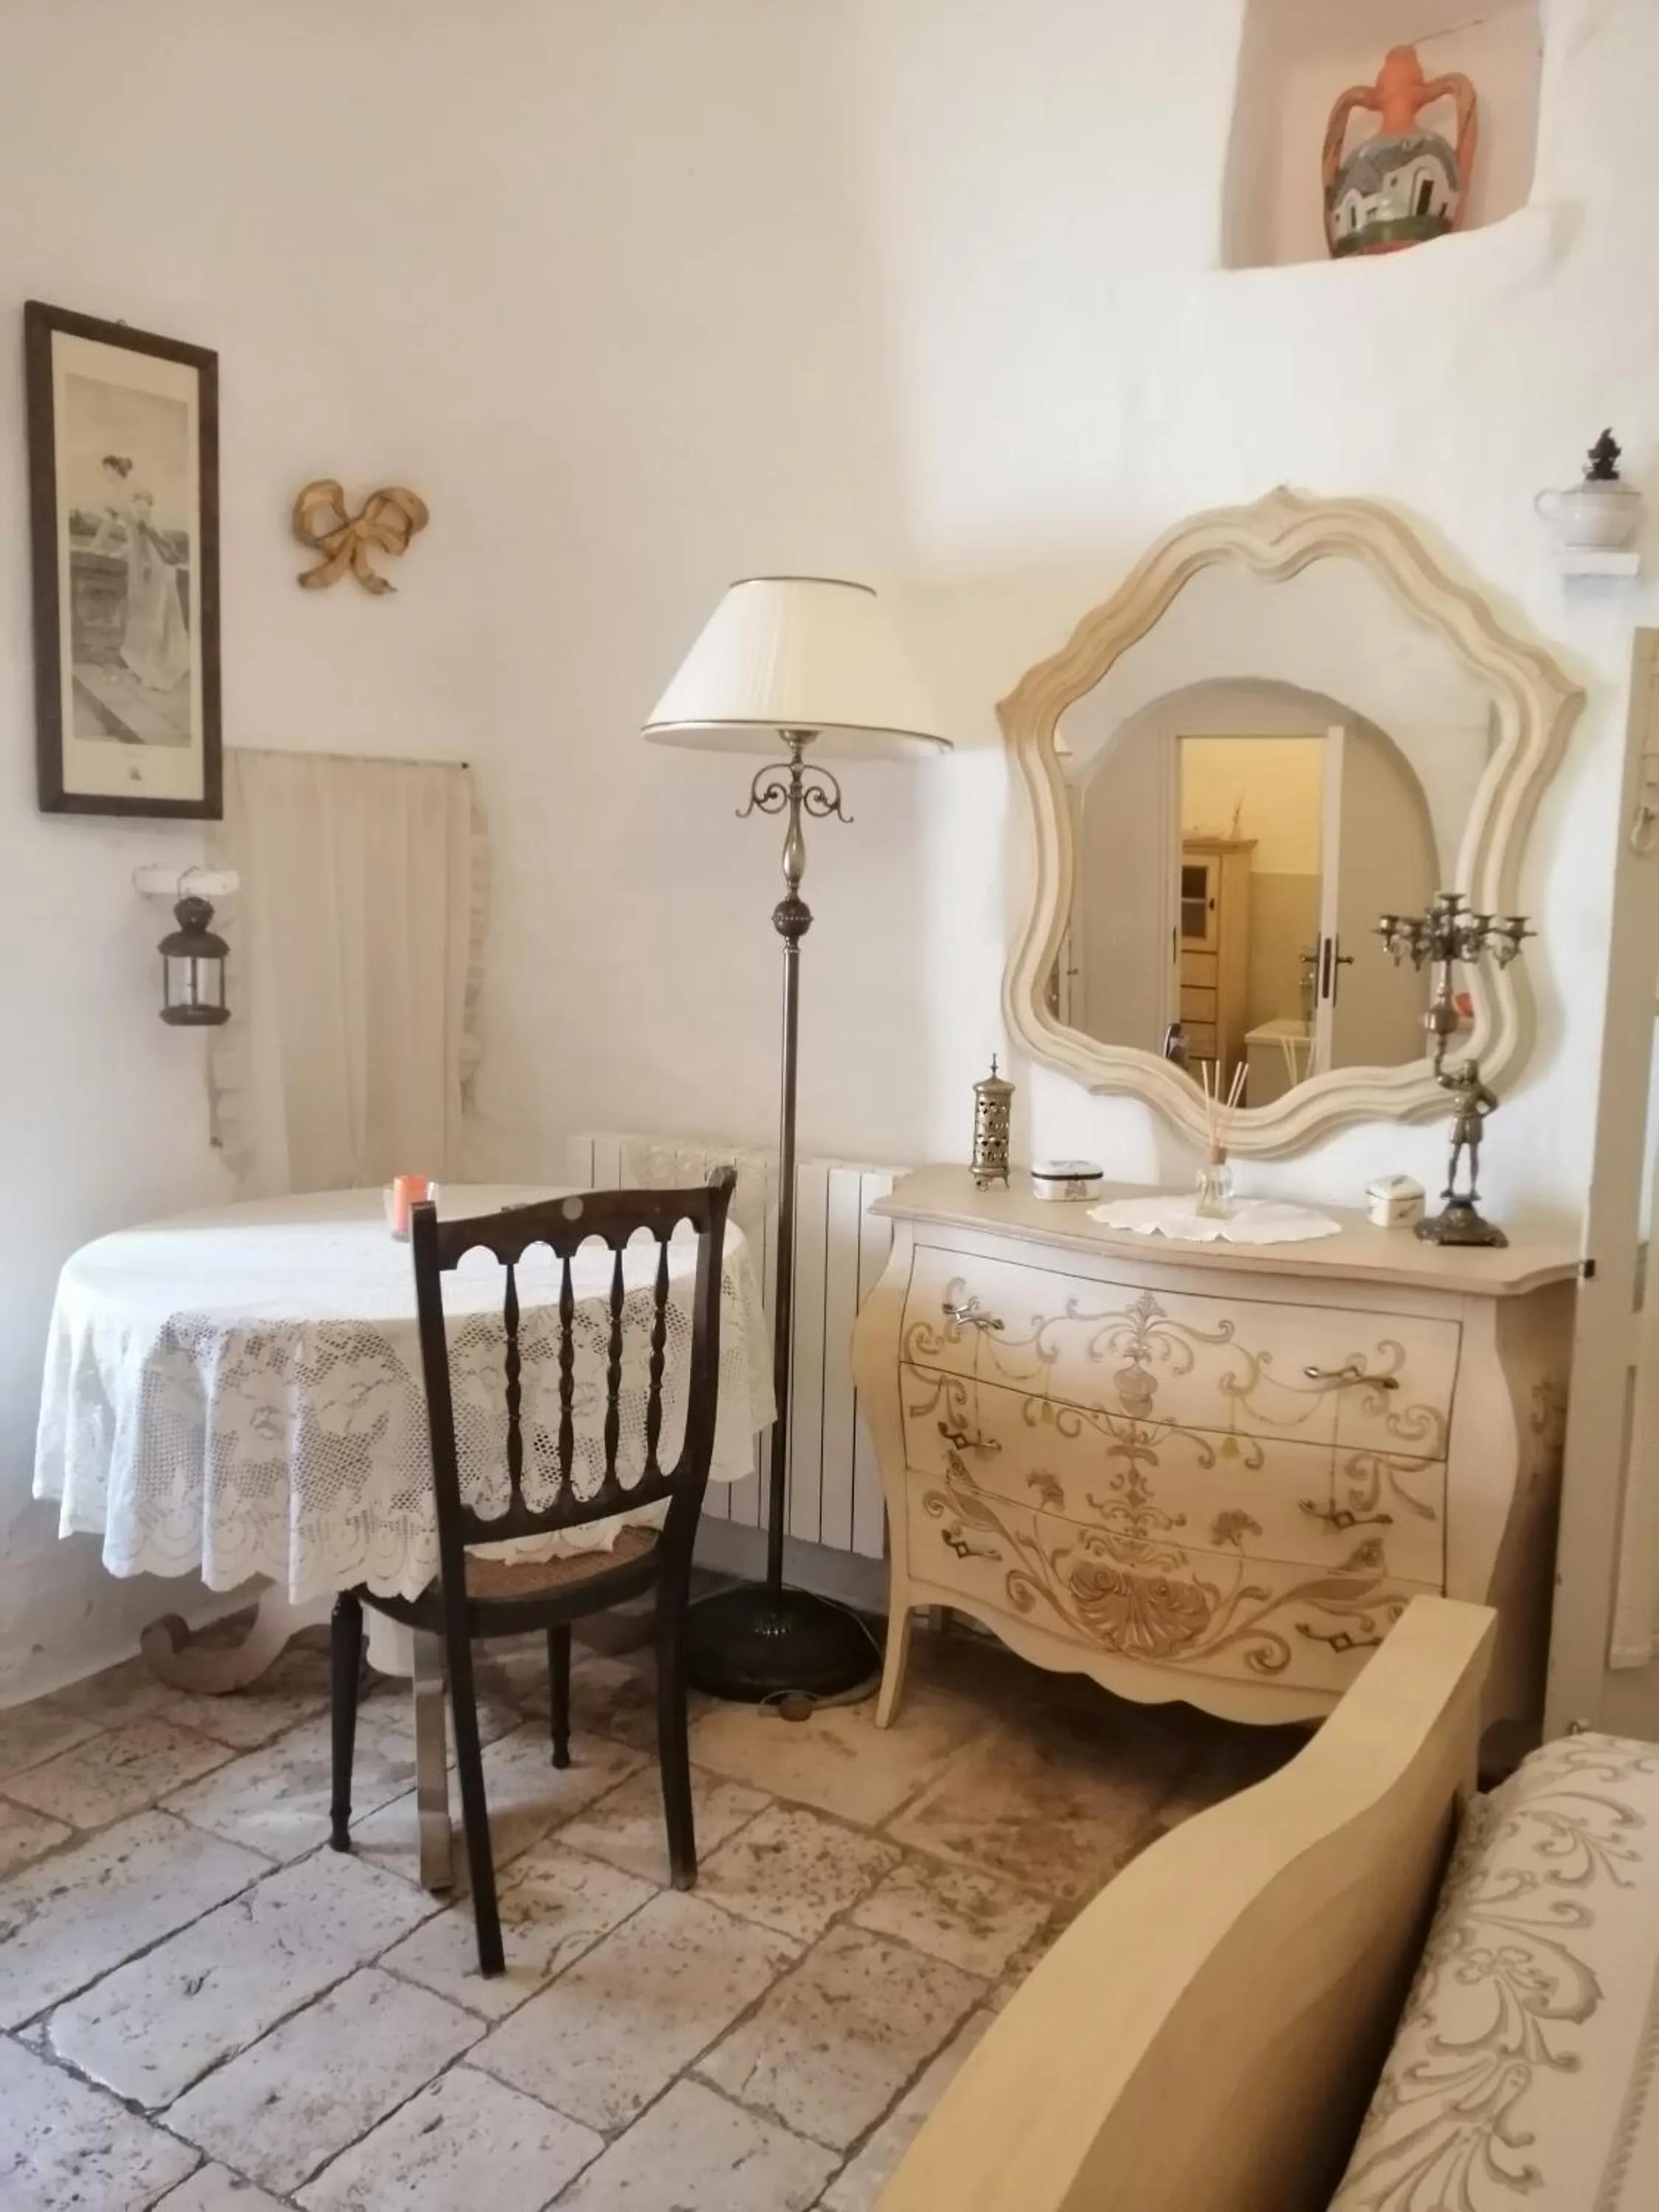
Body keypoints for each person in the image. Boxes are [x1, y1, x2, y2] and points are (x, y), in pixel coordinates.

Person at [92, 453, 191, 695]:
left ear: (115, 469)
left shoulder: (136, 491)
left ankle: (156, 663)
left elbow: (144, 528)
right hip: (137, 555)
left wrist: (145, 558)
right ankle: (140, 659)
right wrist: (95, 547)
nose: (105, 474)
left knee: (152, 607)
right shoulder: (115, 497)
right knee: (140, 608)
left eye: (107, 469)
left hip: (148, 556)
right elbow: (107, 527)